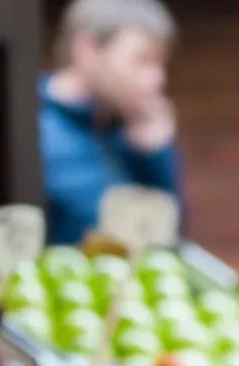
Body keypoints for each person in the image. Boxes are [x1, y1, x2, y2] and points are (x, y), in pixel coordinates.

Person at [40, 0, 182, 245]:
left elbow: (169, 237)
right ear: (87, 50)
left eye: (161, 63)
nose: (157, 79)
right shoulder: (32, 126)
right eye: (143, 60)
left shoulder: (137, 130)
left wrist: (155, 158)